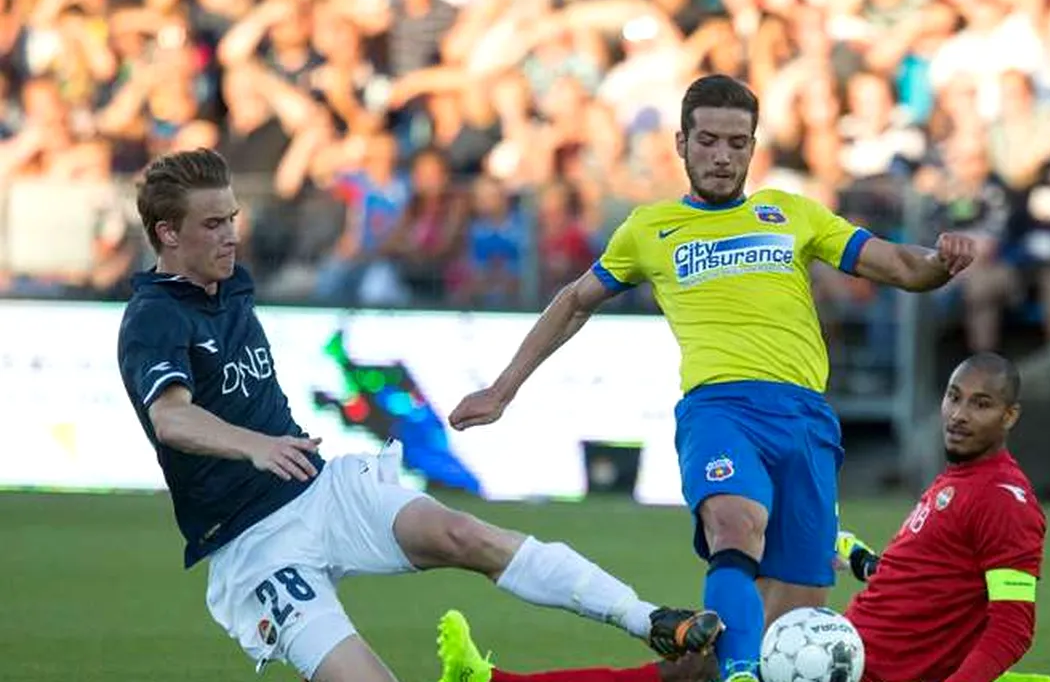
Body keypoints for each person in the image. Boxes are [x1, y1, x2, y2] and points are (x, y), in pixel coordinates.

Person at [114, 148, 723, 682]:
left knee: (465, 534)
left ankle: (650, 620)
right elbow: (172, 419)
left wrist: (275, 449)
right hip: (254, 544)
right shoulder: (153, 319)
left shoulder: (229, 284)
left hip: (319, 488)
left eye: (233, 220)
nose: (231, 236)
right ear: (167, 234)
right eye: (213, 224)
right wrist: (254, 445)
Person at [448, 74, 976, 682]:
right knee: (735, 525)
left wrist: (942, 262)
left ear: (753, 146)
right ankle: (742, 674)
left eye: (737, 142)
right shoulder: (651, 229)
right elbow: (573, 301)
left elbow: (903, 266)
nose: (723, 156)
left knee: (782, 634)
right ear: (681, 143)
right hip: (719, 410)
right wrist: (502, 389)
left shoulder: (793, 214)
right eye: (708, 141)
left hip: (805, 421)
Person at [437, 354, 1050, 682]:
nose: (959, 414)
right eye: (953, 397)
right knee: (695, 669)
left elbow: (1012, 626)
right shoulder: (959, 481)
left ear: (1011, 417)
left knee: (695, 671)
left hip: (855, 671)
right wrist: (865, 559)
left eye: (982, 404)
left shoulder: (1004, 498)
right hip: (840, 647)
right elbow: (928, 583)